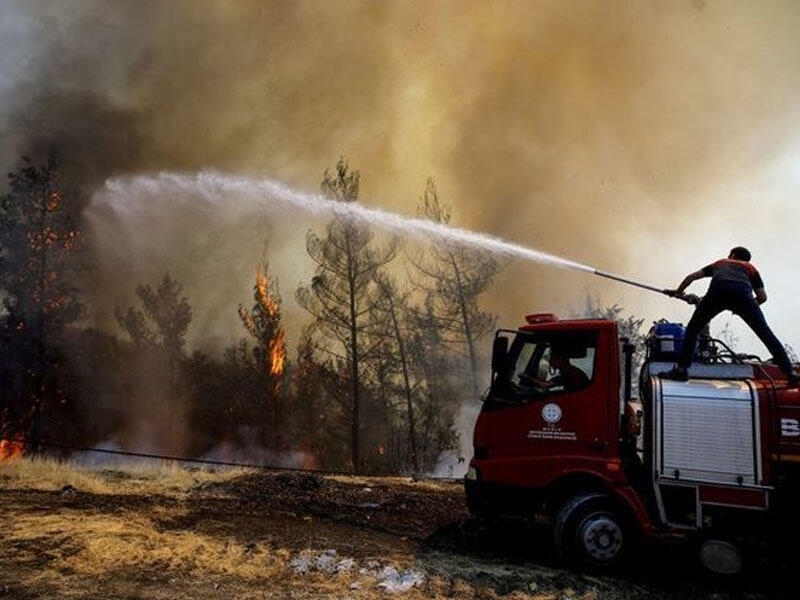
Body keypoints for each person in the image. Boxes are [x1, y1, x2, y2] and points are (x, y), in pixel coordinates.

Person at [662, 246, 798, 386]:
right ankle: (790, 373)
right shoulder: (751, 269)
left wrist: (678, 292)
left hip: (717, 295)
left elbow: (691, 277)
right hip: (744, 298)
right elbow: (762, 297)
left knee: (693, 329)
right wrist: (744, 308)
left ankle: (682, 370)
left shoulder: (722, 263)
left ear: (732, 255)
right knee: (766, 334)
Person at [522, 347, 590, 392]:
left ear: (560, 359)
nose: (550, 360)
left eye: (553, 358)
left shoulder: (569, 372)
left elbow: (545, 385)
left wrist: (528, 377)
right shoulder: (570, 370)